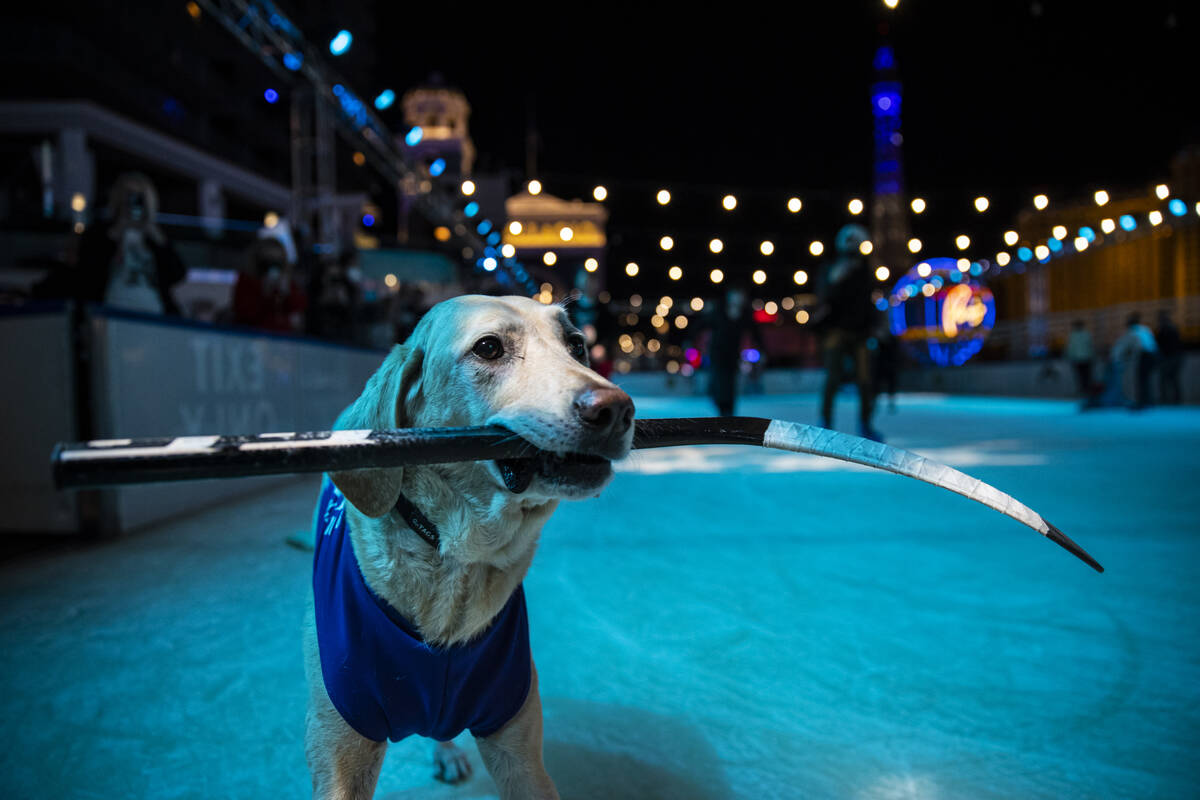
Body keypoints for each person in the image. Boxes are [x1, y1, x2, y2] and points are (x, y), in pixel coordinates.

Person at [33, 172, 186, 314]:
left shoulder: (154, 239)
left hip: (152, 312)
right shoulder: (101, 233)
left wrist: (155, 235)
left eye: (139, 197)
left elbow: (178, 274)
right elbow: (88, 270)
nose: (133, 203)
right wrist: (116, 232)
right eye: (128, 195)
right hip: (111, 312)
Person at [812, 224, 885, 440]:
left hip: (860, 332)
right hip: (836, 331)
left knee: (865, 380)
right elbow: (824, 297)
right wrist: (835, 278)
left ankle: (865, 423)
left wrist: (876, 326)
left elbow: (868, 301)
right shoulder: (831, 268)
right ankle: (824, 422)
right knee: (833, 378)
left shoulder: (865, 270)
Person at [706, 285, 763, 416]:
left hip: (732, 355)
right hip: (717, 354)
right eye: (736, 295)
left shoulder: (745, 315)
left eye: (741, 296)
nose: (739, 299)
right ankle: (720, 404)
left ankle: (728, 412)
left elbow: (756, 333)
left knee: (730, 384)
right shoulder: (719, 311)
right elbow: (702, 324)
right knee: (719, 381)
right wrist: (689, 340)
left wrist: (763, 349)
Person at [232, 238, 307, 333]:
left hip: (282, 335)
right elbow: (245, 313)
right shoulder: (247, 280)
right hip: (253, 333)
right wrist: (265, 292)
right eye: (268, 262)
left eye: (277, 262)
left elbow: (298, 308)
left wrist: (286, 291)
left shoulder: (286, 281)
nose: (272, 268)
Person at [1111, 312, 1158, 410]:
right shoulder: (1145, 329)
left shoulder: (1132, 332)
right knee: (1146, 380)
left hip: (1144, 356)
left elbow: (1135, 347)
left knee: (1140, 380)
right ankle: (1149, 401)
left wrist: (1119, 359)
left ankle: (1141, 403)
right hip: (1153, 355)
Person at [1156, 310, 1183, 404]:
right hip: (1177, 357)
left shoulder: (1163, 330)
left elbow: (1159, 345)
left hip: (1169, 357)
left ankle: (1164, 399)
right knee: (1174, 379)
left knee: (1163, 379)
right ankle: (1177, 400)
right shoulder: (1174, 328)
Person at [1066, 319, 1095, 400]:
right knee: (1085, 376)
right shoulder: (1086, 334)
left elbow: (1071, 348)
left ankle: (1085, 391)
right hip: (1085, 358)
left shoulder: (1074, 335)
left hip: (1080, 359)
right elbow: (1091, 346)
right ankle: (1086, 390)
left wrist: (1069, 356)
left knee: (1082, 376)